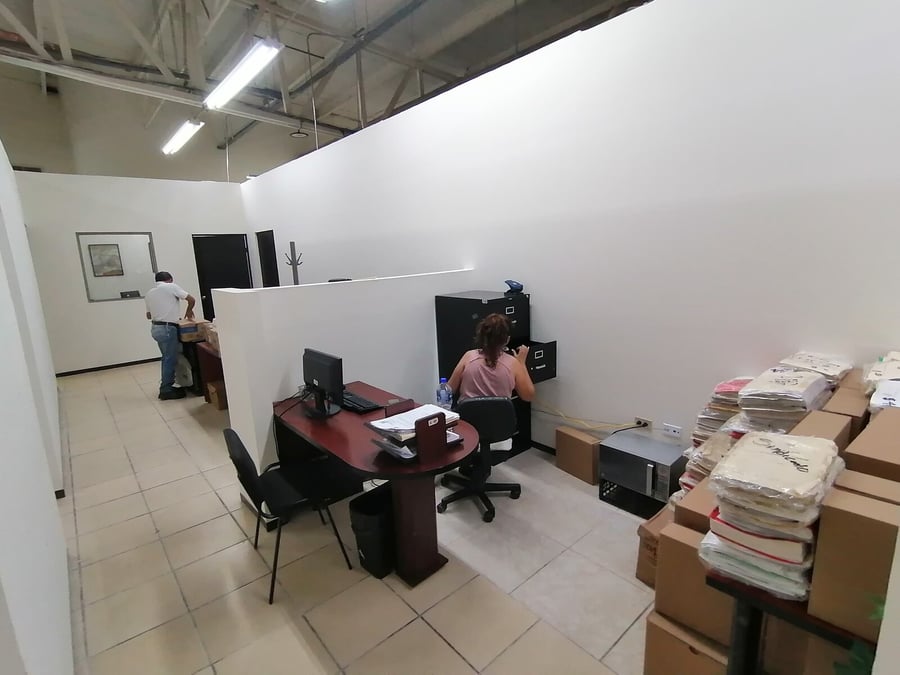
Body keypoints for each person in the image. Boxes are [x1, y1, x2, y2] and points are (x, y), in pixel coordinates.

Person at [448, 313, 535, 403]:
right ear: (507, 340)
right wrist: (522, 363)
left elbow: (450, 389)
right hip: (500, 412)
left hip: (468, 412)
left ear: (481, 335)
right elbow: (528, 396)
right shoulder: (513, 364)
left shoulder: (469, 357)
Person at [145, 271, 196, 400]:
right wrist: (189, 310)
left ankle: (174, 382)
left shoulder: (150, 293)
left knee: (167, 357)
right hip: (168, 329)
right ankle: (166, 389)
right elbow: (191, 299)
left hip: (156, 328)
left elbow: (148, 315)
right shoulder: (171, 286)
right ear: (170, 279)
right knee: (169, 359)